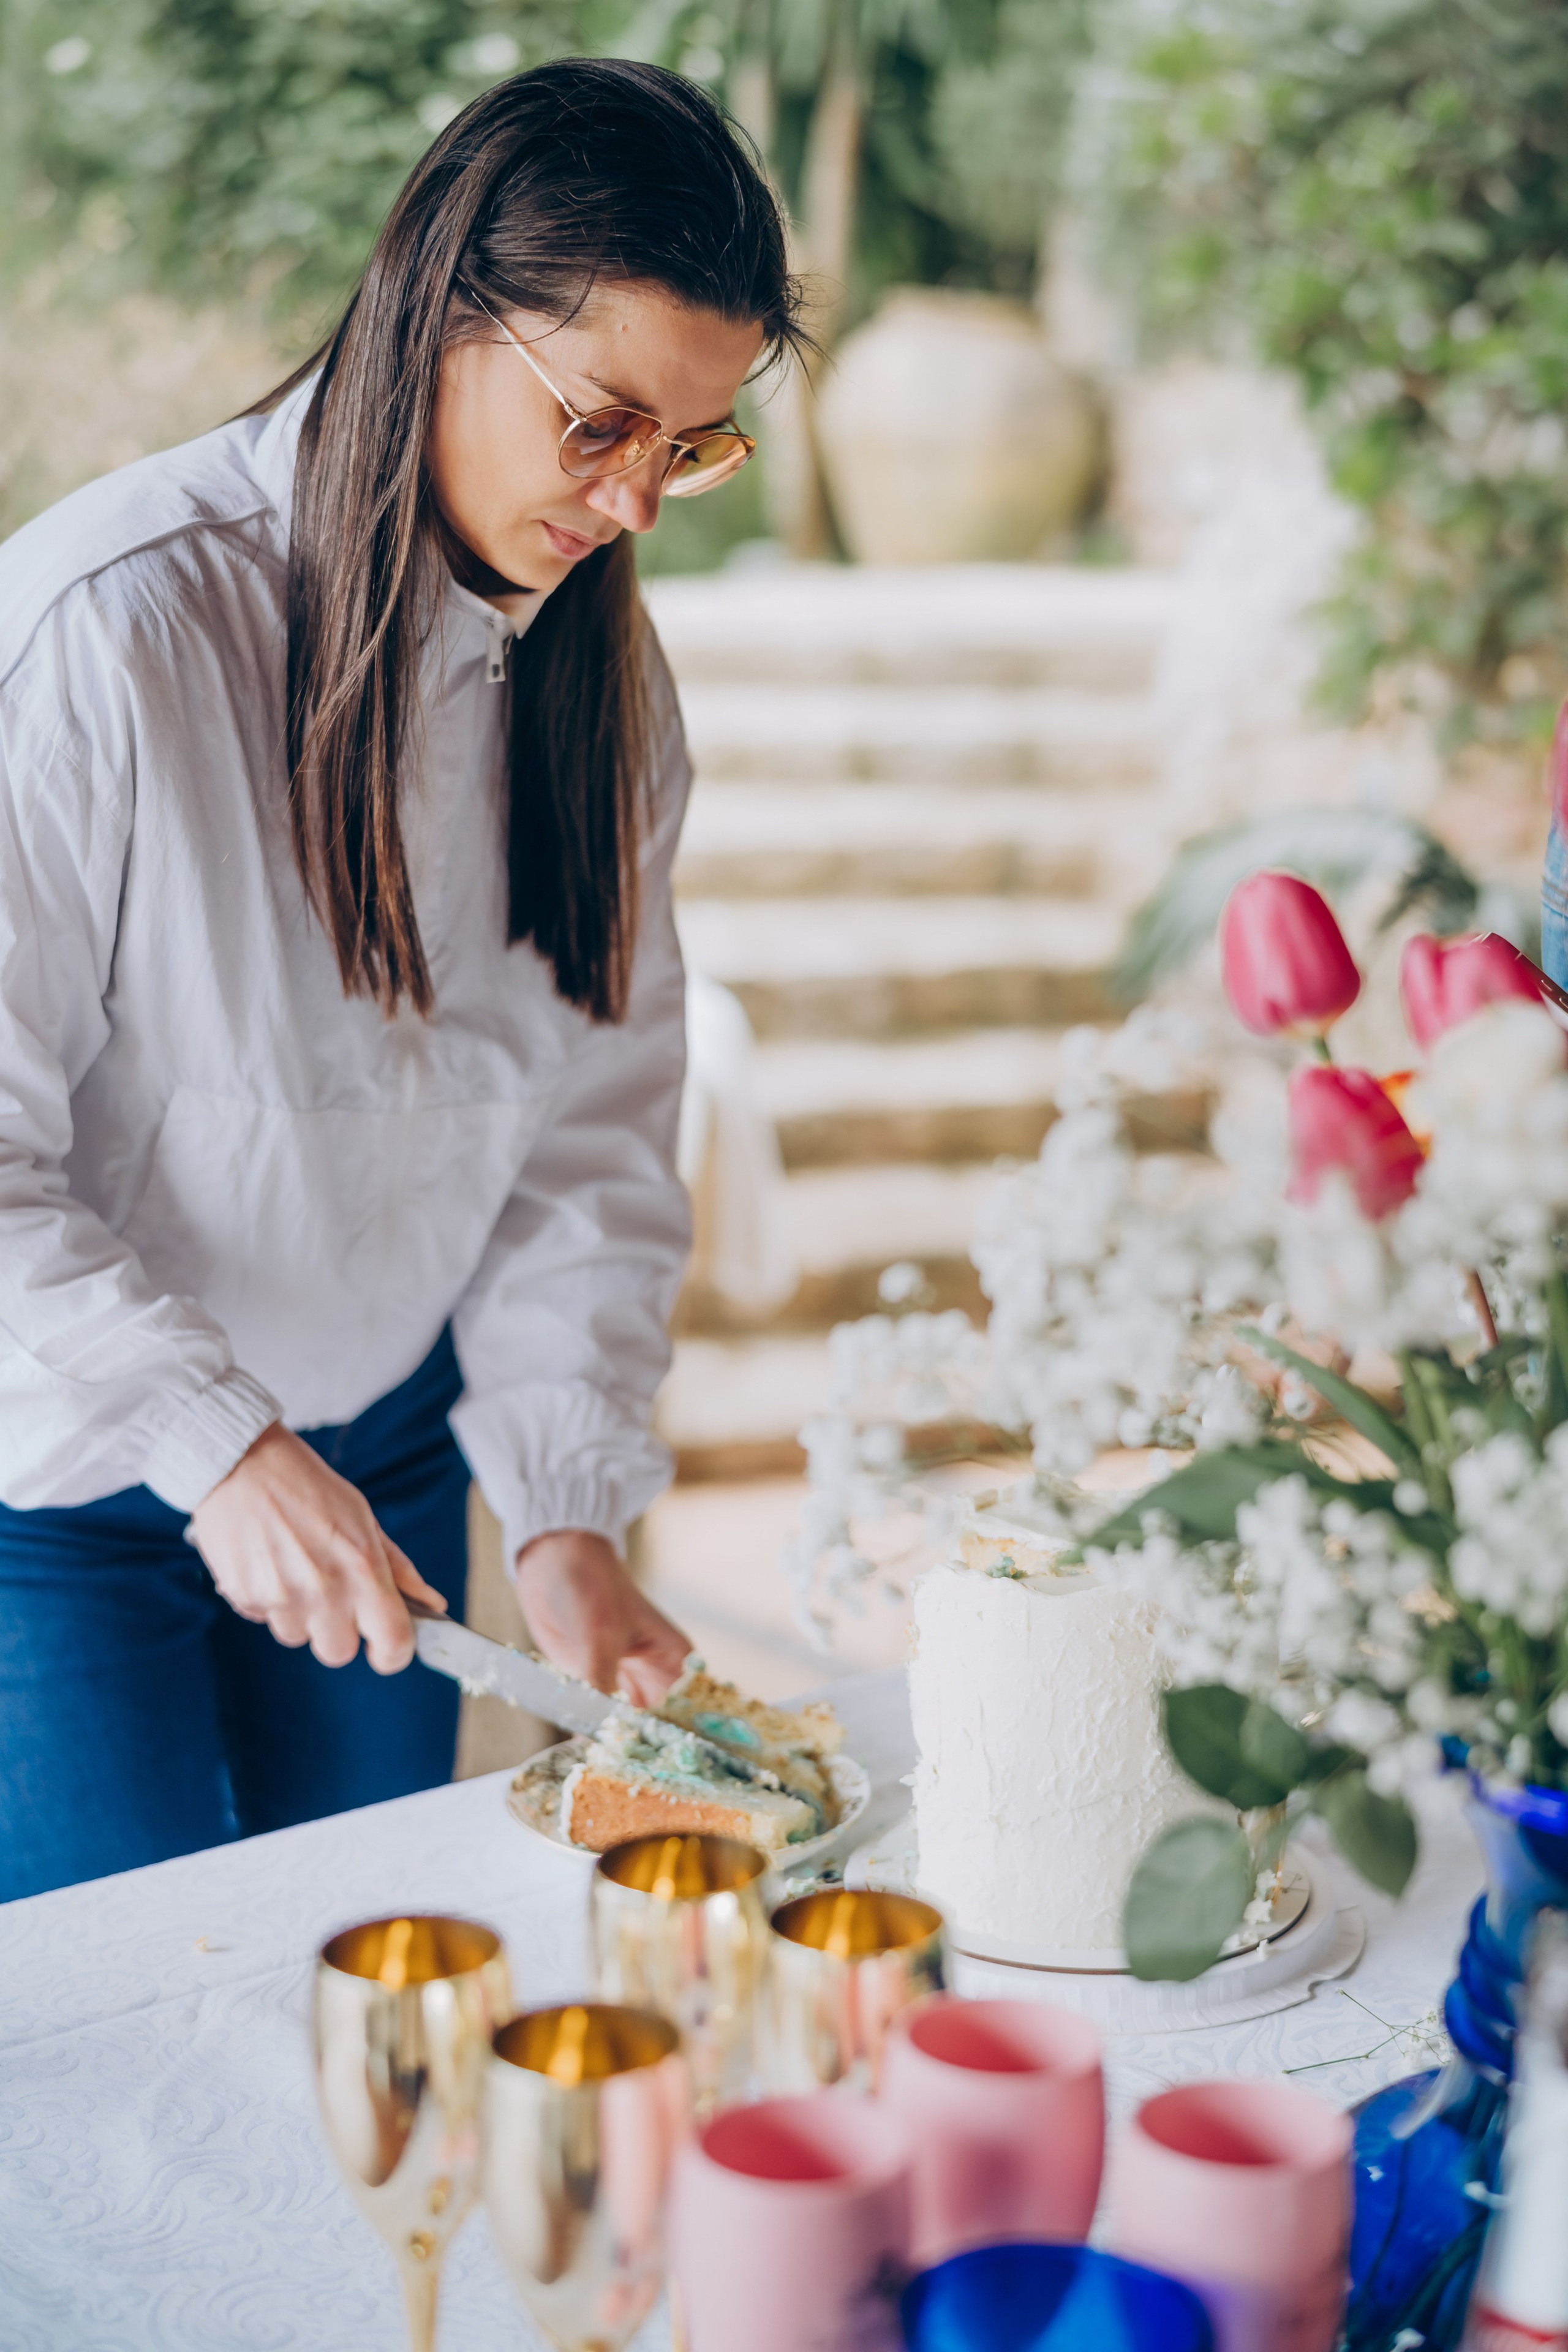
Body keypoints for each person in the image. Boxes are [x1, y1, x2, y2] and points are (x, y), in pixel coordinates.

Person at [0, 59, 805, 1902]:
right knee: (117, 2040)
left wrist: (574, 1520)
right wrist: (216, 1442)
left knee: (370, 1968)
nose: (639, 506)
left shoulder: (610, 693)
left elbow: (590, 1138)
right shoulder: (104, 634)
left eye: (692, 446)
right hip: (59, 1488)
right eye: (601, 425)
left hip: (389, 1453)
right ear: (440, 308)